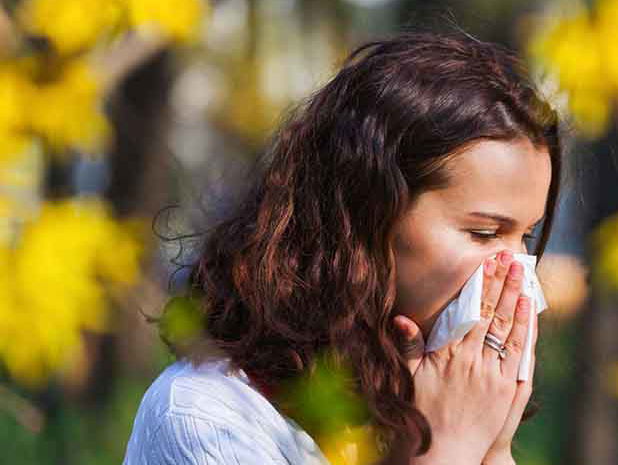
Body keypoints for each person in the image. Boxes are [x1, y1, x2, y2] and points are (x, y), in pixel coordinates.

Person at [122, 30, 563, 465]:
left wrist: (492, 447)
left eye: (525, 236)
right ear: (367, 215)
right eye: (484, 234)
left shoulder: (408, 402)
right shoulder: (207, 418)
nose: (518, 275)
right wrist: (445, 450)